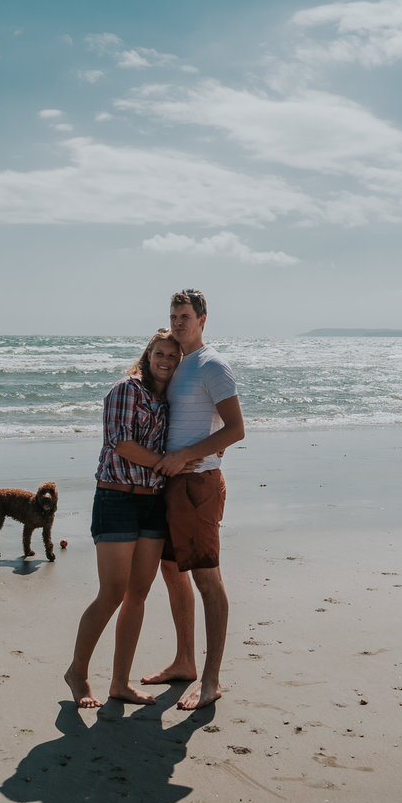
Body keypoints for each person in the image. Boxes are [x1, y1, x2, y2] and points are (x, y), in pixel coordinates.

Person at [64, 329, 182, 709]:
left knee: (138, 594)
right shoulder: (126, 390)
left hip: (153, 502)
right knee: (112, 592)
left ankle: (120, 684)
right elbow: (121, 442)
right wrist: (168, 464)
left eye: (172, 356)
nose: (165, 360)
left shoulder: (168, 401)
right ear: (148, 355)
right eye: (159, 353)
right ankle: (77, 674)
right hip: (116, 497)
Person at [141, 289, 244, 711]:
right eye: (173, 315)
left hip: (199, 486)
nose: (179, 323)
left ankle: (212, 679)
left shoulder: (212, 365)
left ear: (203, 319)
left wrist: (186, 455)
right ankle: (184, 661)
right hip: (170, 488)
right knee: (172, 572)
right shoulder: (180, 365)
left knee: (206, 578)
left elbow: (236, 429)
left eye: (185, 316)